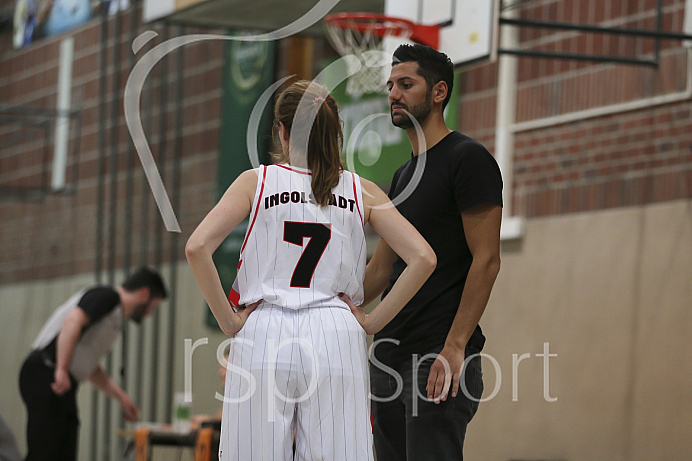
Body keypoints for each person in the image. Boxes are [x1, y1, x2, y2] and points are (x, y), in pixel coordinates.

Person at [185, 80, 436, 461]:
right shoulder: (361, 190)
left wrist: (229, 322)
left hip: (265, 330)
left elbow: (197, 247)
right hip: (335, 332)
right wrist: (372, 321)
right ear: (334, 133)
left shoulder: (258, 181)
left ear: (282, 132)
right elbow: (423, 257)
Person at [343, 44, 503, 460]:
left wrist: (455, 346)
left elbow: (487, 261)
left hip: (438, 355)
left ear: (438, 92)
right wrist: (324, 302)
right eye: (391, 85)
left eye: (406, 84)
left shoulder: (468, 159)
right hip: (389, 353)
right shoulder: (402, 174)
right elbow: (382, 267)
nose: (394, 94)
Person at [18, 267, 167, 461]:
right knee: (45, 451)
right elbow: (73, 321)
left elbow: (89, 366)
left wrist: (122, 398)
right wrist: (61, 369)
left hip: (61, 379)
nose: (149, 314)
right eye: (152, 307)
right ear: (144, 293)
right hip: (46, 371)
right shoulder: (108, 297)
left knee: (64, 450)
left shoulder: (113, 317)